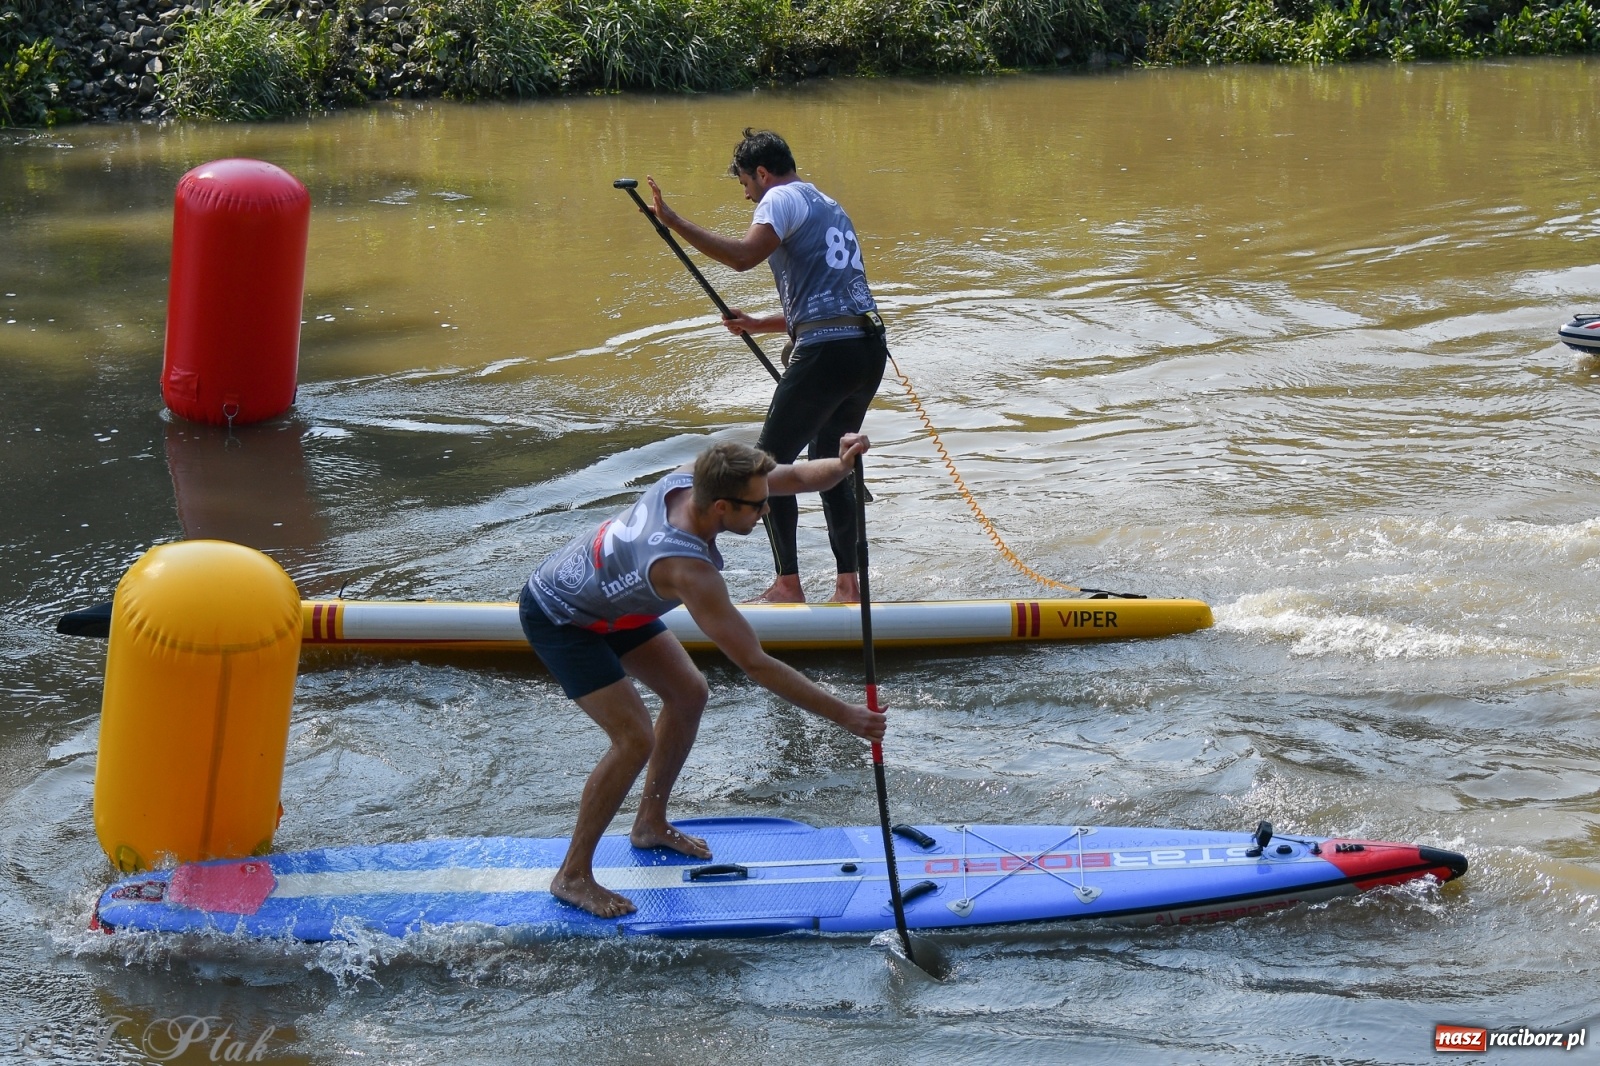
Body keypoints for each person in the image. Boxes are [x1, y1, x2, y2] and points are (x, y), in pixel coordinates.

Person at [519, 434, 886, 918]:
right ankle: (572, 876)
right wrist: (846, 716)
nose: (766, 512)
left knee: (689, 692)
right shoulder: (688, 569)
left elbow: (794, 478)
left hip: (613, 606)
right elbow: (754, 662)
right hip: (561, 615)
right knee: (633, 739)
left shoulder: (701, 481)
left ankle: (649, 823)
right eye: (757, 508)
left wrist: (840, 466)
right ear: (719, 506)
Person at [645, 128, 889, 604]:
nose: (746, 194)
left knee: (766, 467)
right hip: (866, 347)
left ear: (761, 172)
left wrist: (672, 220)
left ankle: (787, 586)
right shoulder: (827, 203)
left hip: (828, 352)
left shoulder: (778, 200)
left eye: (744, 183)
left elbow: (741, 258)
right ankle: (848, 588)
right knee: (833, 460)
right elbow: (830, 300)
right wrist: (759, 324)